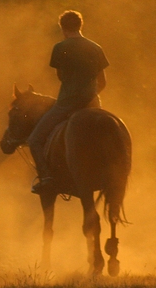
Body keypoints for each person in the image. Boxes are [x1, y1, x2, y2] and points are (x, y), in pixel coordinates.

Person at [28, 10, 109, 194]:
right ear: (81, 26)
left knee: (34, 140)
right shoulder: (96, 48)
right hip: (93, 103)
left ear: (63, 28)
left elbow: (61, 77)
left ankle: (47, 178)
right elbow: (103, 82)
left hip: (67, 103)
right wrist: (90, 96)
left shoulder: (60, 48)